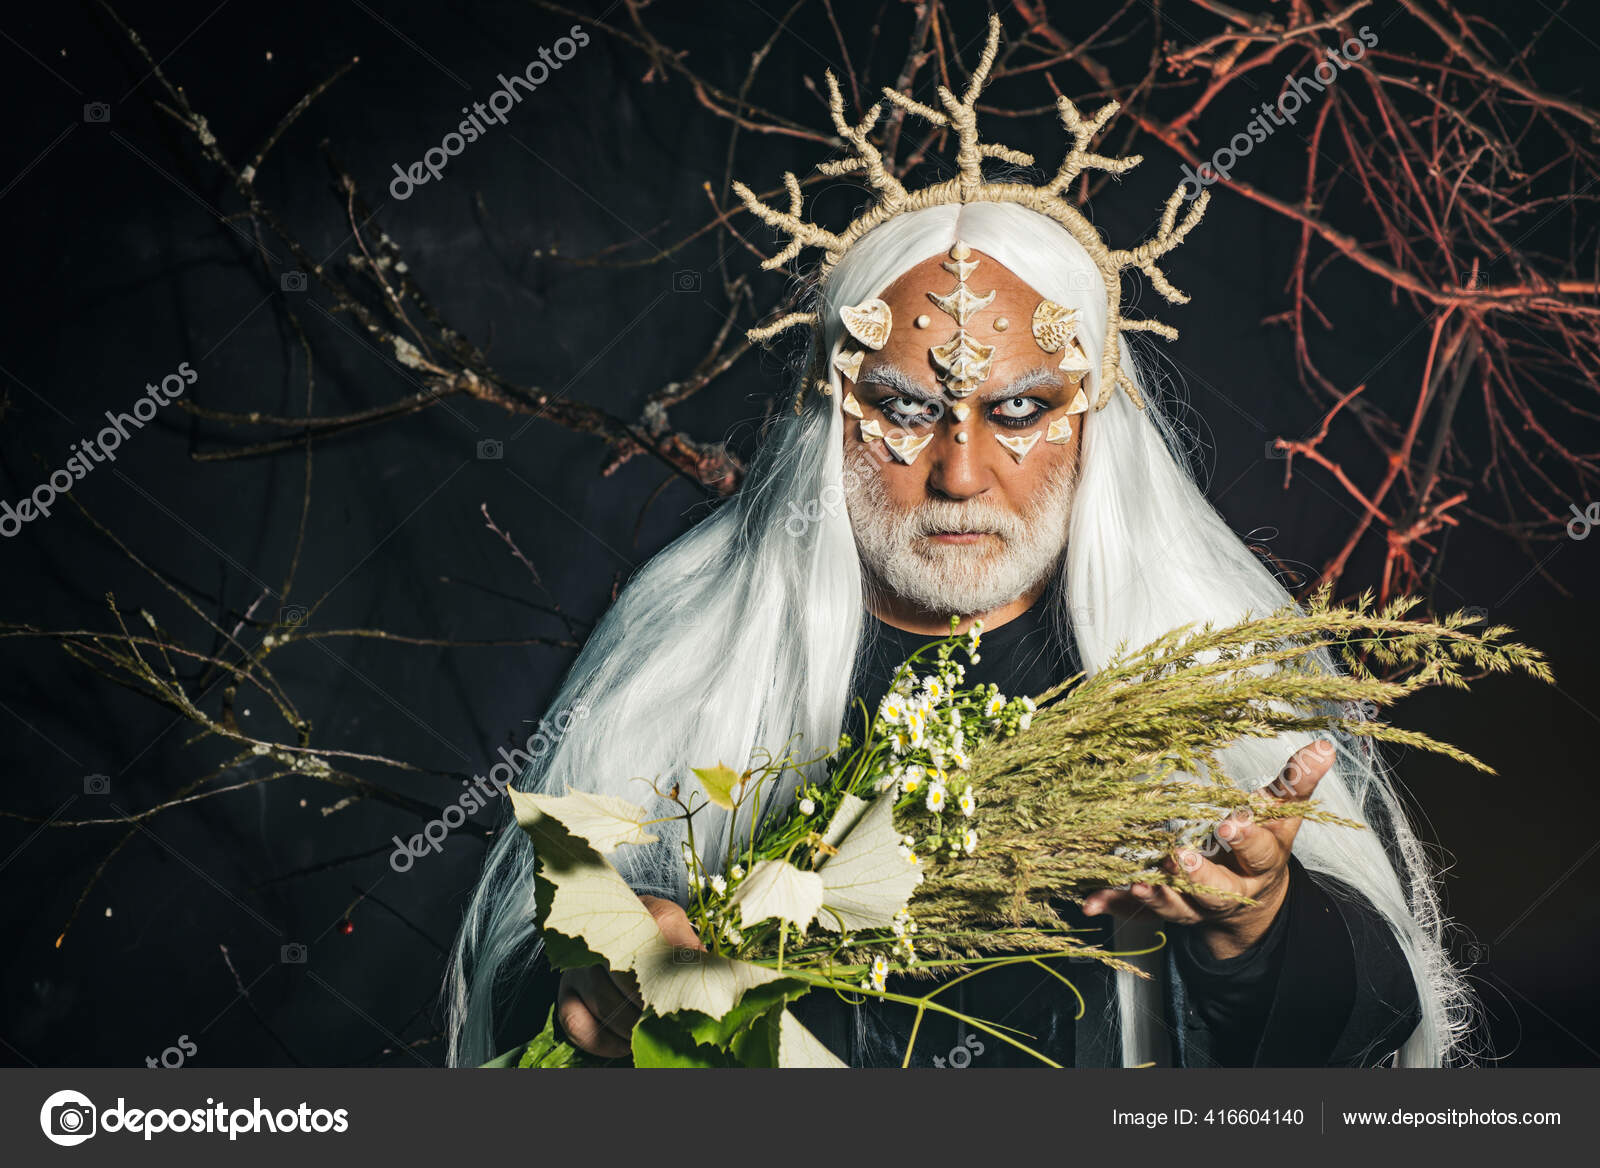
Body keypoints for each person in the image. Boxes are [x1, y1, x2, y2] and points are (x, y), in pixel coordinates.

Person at [444, 15, 1468, 1069]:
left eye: (1018, 412)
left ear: (1089, 417)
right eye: (903, 409)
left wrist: (1256, 926)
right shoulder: (691, 660)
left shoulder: (1200, 668)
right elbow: (536, 986)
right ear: (832, 416)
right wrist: (611, 972)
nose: (961, 474)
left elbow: (1354, 1028)